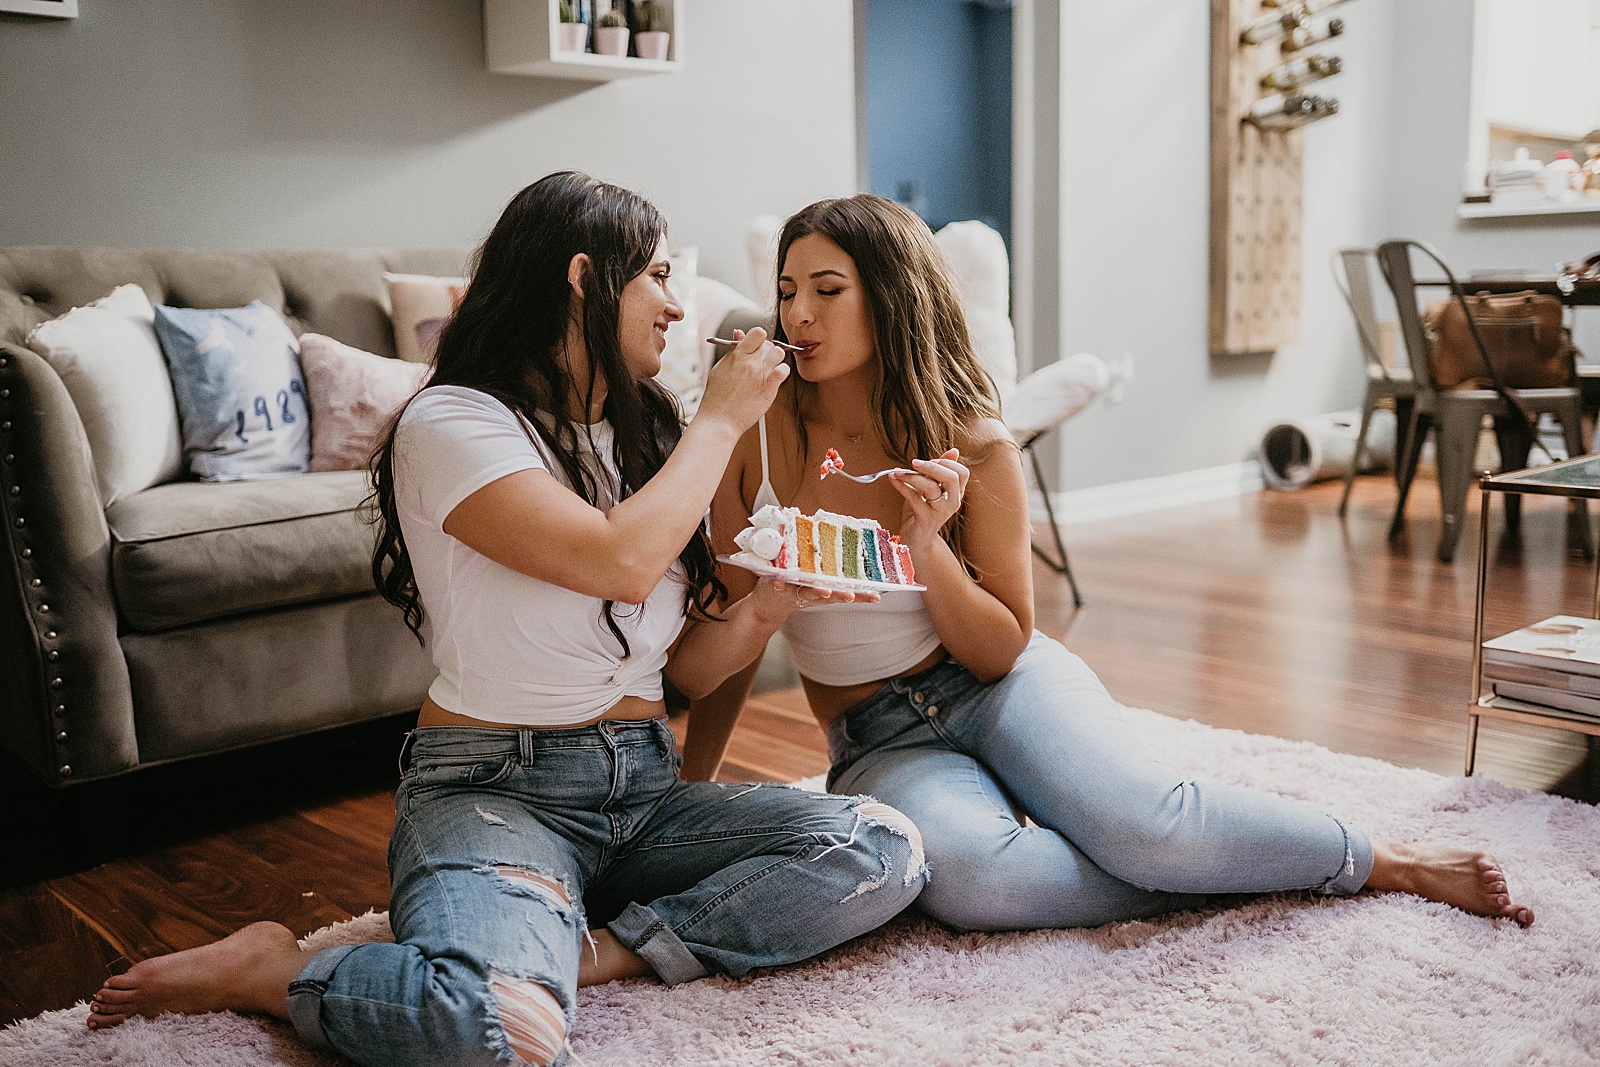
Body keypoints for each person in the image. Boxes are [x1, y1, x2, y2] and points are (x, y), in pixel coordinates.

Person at [84, 173, 927, 1067]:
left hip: (640, 792)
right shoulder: (452, 423)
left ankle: (583, 953)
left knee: (882, 848)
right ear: (581, 279)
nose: (679, 308)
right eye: (658, 276)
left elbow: (676, 673)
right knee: (497, 1031)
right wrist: (722, 420)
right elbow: (617, 558)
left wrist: (765, 607)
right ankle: (274, 970)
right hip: (496, 792)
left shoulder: (646, 435)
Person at [685, 192, 1534, 935]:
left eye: (828, 292)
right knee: (982, 884)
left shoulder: (975, 445)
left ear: (893, 298)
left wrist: (925, 546)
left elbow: (999, 650)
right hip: (877, 739)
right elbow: (729, 636)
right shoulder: (750, 431)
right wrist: (680, 802)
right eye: (789, 292)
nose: (799, 316)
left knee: (1150, 826)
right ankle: (1216, 873)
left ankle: (1382, 857)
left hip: (998, 687)